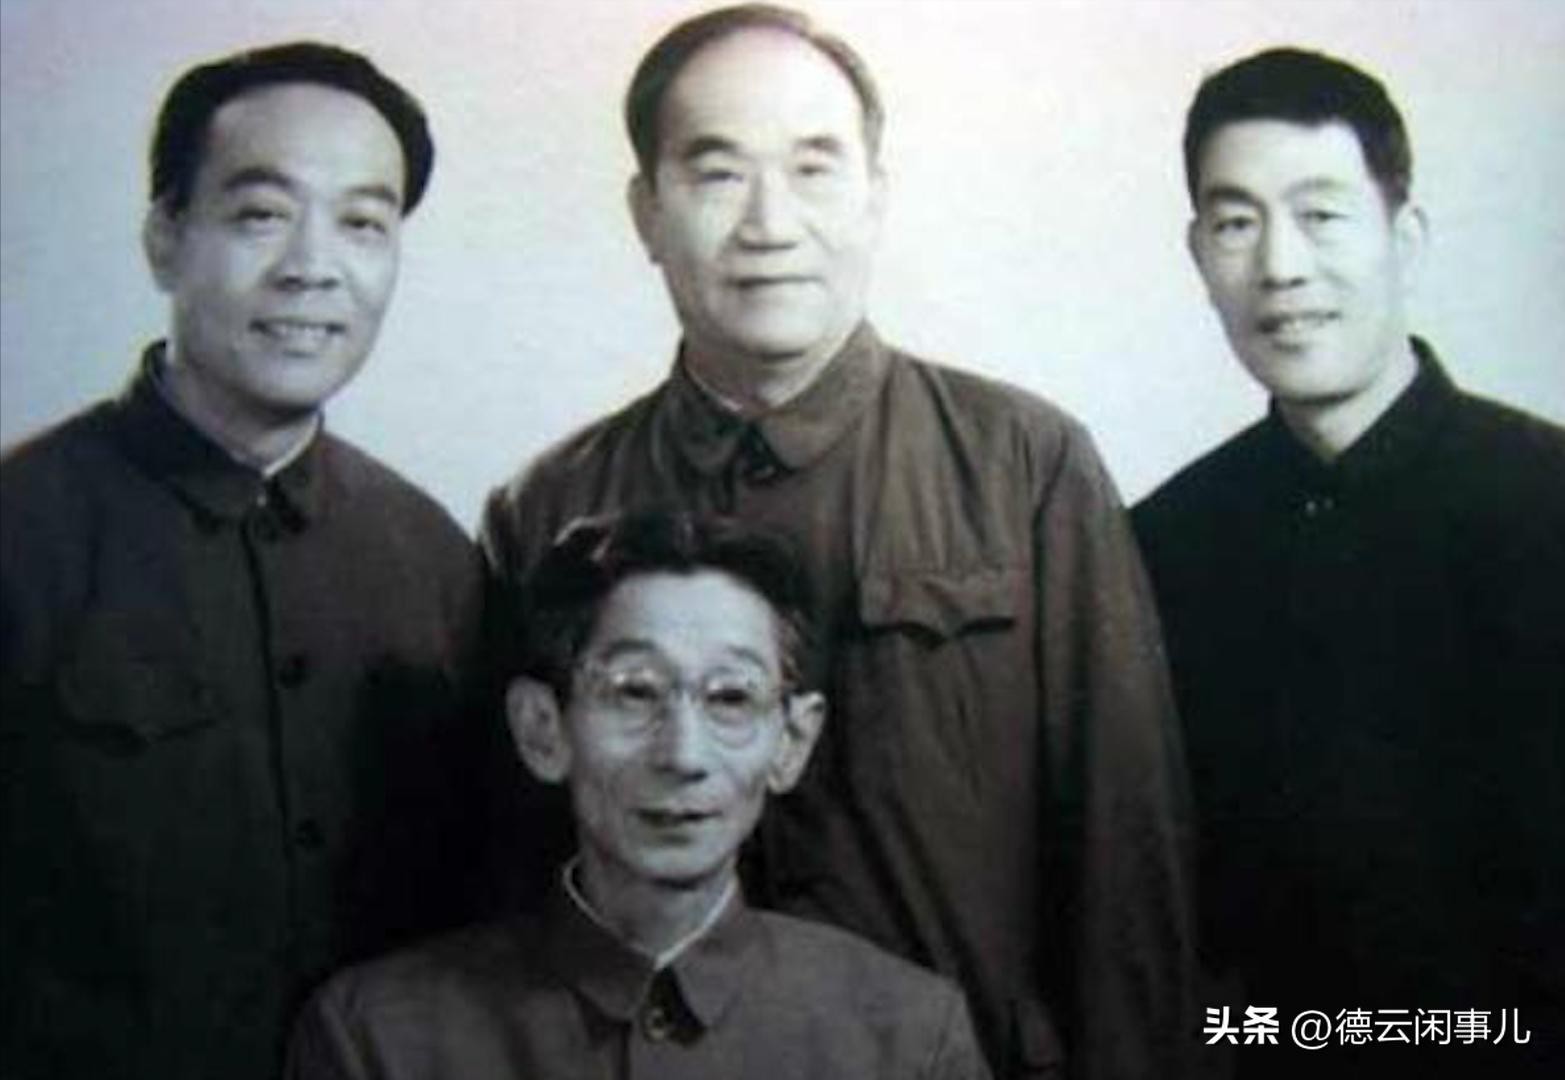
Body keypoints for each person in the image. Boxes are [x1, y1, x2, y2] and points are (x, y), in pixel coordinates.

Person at [480, 6, 1195, 1076]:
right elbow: (505, 889)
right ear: (645, 212)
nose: (770, 223)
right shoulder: (549, 505)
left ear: (874, 195)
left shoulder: (1023, 465)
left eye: (813, 168)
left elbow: (1126, 858)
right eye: (717, 173)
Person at [0, 42, 491, 1080]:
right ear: (165, 240)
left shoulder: (435, 559)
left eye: (363, 224)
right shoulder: (19, 529)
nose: (312, 265)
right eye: (262, 215)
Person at [1134, 47, 1565, 1076]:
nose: (1279, 267)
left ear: (1402, 237)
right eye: (1235, 224)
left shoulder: (1544, 500)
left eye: (1320, 214)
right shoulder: (1162, 544)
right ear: (1197, 255)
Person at [288, 510, 992, 1080]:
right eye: (634, 692)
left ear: (792, 740)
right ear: (542, 729)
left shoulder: (908, 1040)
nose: (682, 755)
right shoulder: (378, 1038)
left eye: (730, 697)